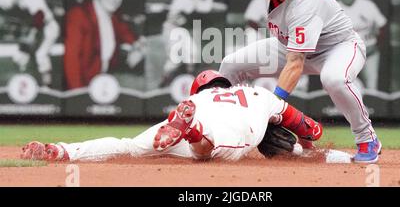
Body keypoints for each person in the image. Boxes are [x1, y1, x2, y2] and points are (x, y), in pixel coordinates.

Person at [219, 0, 381, 163]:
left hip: (337, 47)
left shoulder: (305, 4)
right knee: (231, 64)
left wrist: (274, 109)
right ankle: (226, 131)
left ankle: (366, 138)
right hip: (288, 43)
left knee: (334, 79)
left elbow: (295, 63)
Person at [21, 70, 323, 162]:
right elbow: (308, 126)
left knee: (127, 146)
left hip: (188, 120)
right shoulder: (259, 94)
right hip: (230, 129)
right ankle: (195, 131)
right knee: (213, 150)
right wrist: (306, 144)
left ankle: (61, 151)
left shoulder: (196, 97)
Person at [63, 0, 145, 90]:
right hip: (82, 87)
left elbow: (126, 33)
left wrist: (138, 47)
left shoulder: (112, 17)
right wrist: (77, 95)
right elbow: (71, 60)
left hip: (103, 83)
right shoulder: (79, 16)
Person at [0, 0, 60, 86]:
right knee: (19, 57)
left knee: (41, 55)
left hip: (48, 28)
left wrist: (31, 35)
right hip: (34, 30)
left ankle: (48, 89)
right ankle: (28, 88)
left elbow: (39, 17)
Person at [159, 0, 216, 87]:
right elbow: (190, 7)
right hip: (170, 30)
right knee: (175, 59)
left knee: (192, 53)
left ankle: (190, 81)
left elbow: (205, 8)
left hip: (180, 30)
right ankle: (164, 83)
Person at [335, 0, 387, 90]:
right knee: (342, 85)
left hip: (370, 52)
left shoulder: (367, 4)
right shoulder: (334, 8)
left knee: (372, 86)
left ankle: (371, 107)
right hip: (347, 55)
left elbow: (382, 25)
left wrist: (378, 45)